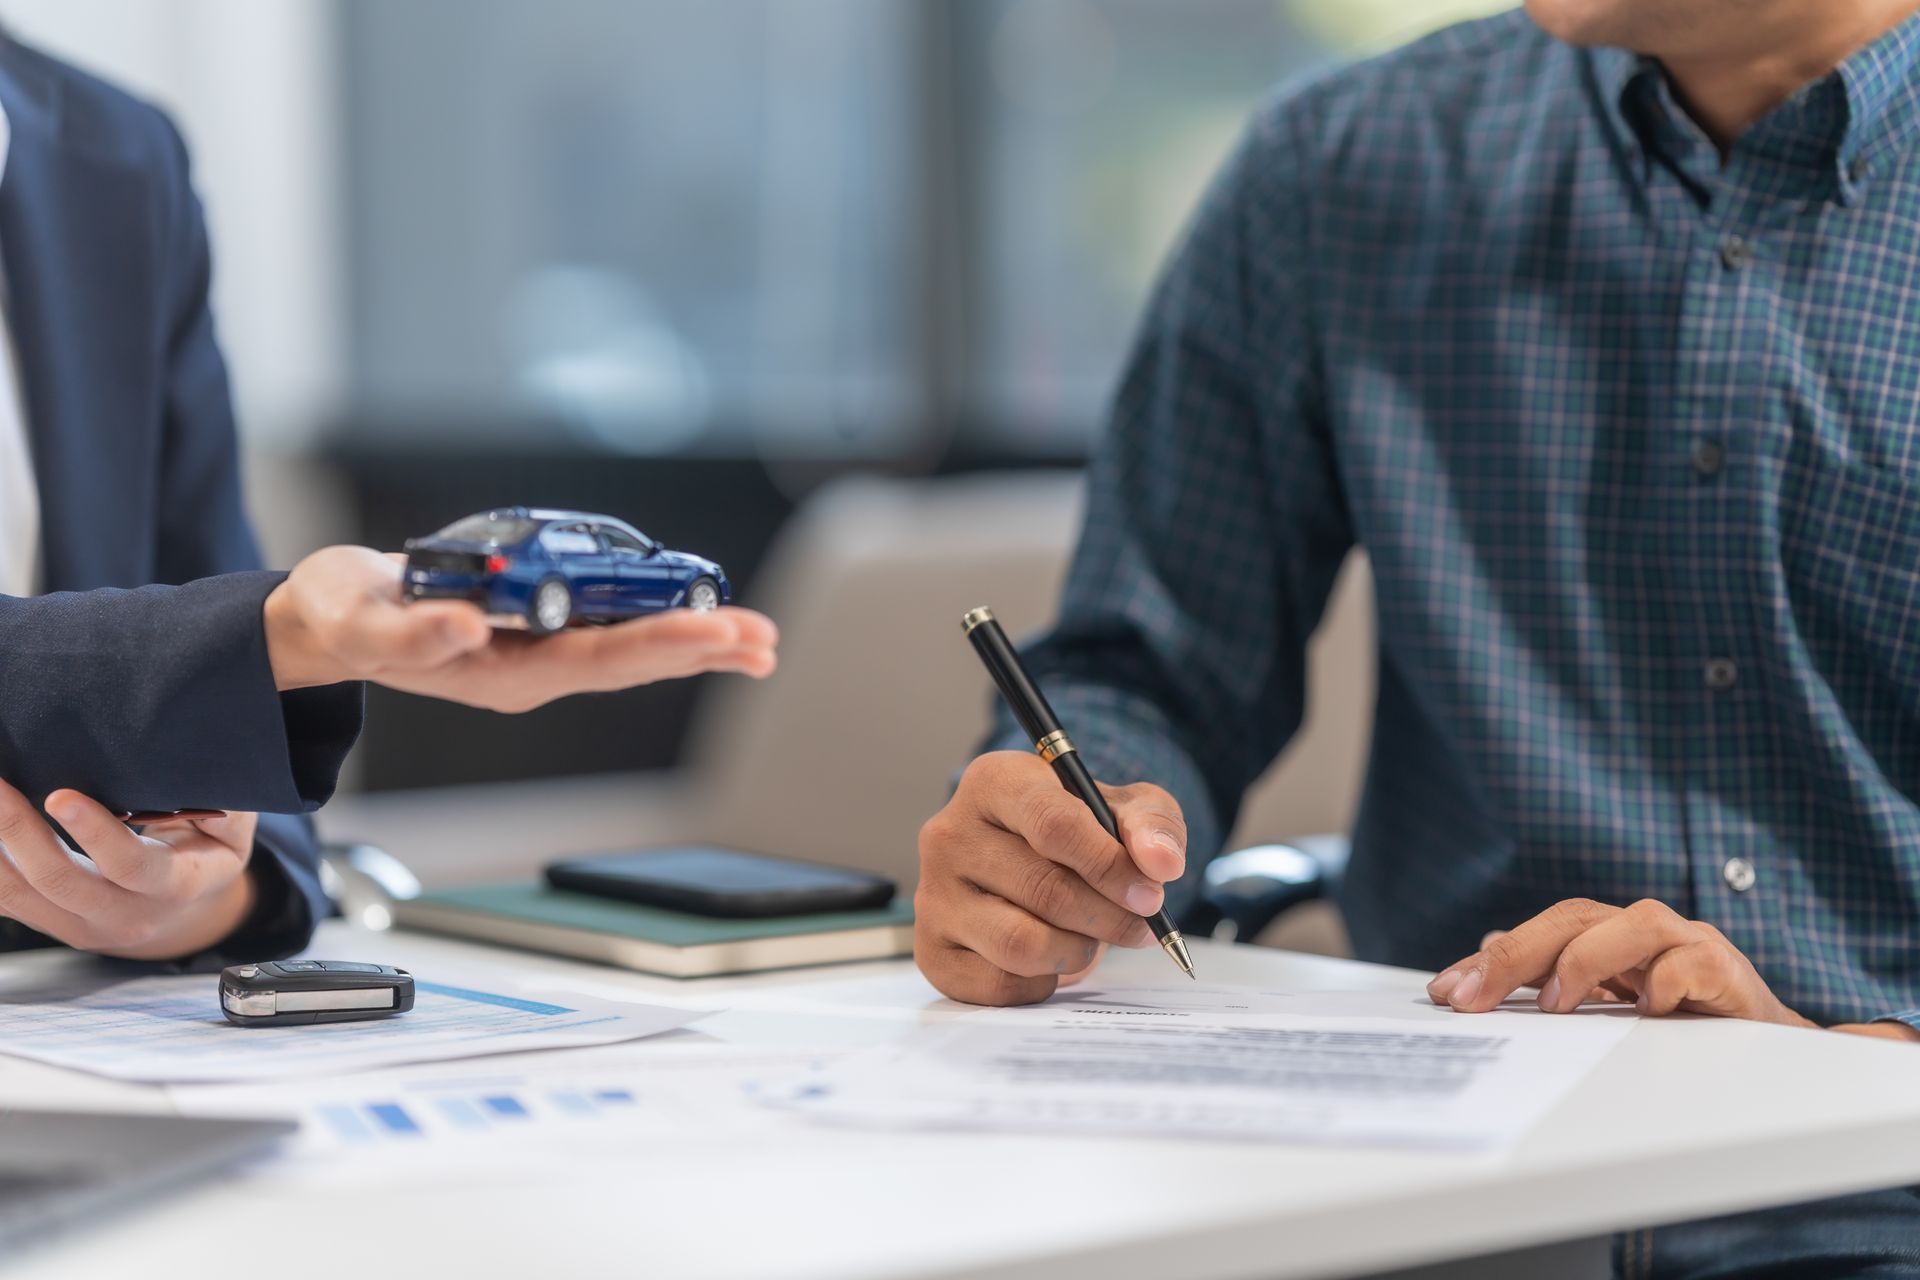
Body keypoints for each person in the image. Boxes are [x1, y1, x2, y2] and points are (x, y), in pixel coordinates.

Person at [915, 0, 1920, 1272]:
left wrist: (1845, 1073)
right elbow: (1147, 662)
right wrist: (1061, 828)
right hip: (1451, 1201)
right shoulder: (1344, 167)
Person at [0, 38, 776, 968]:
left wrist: (200, 902)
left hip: (91, 1031)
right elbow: (232, 630)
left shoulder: (117, 155)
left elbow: (261, 820)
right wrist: (274, 641)